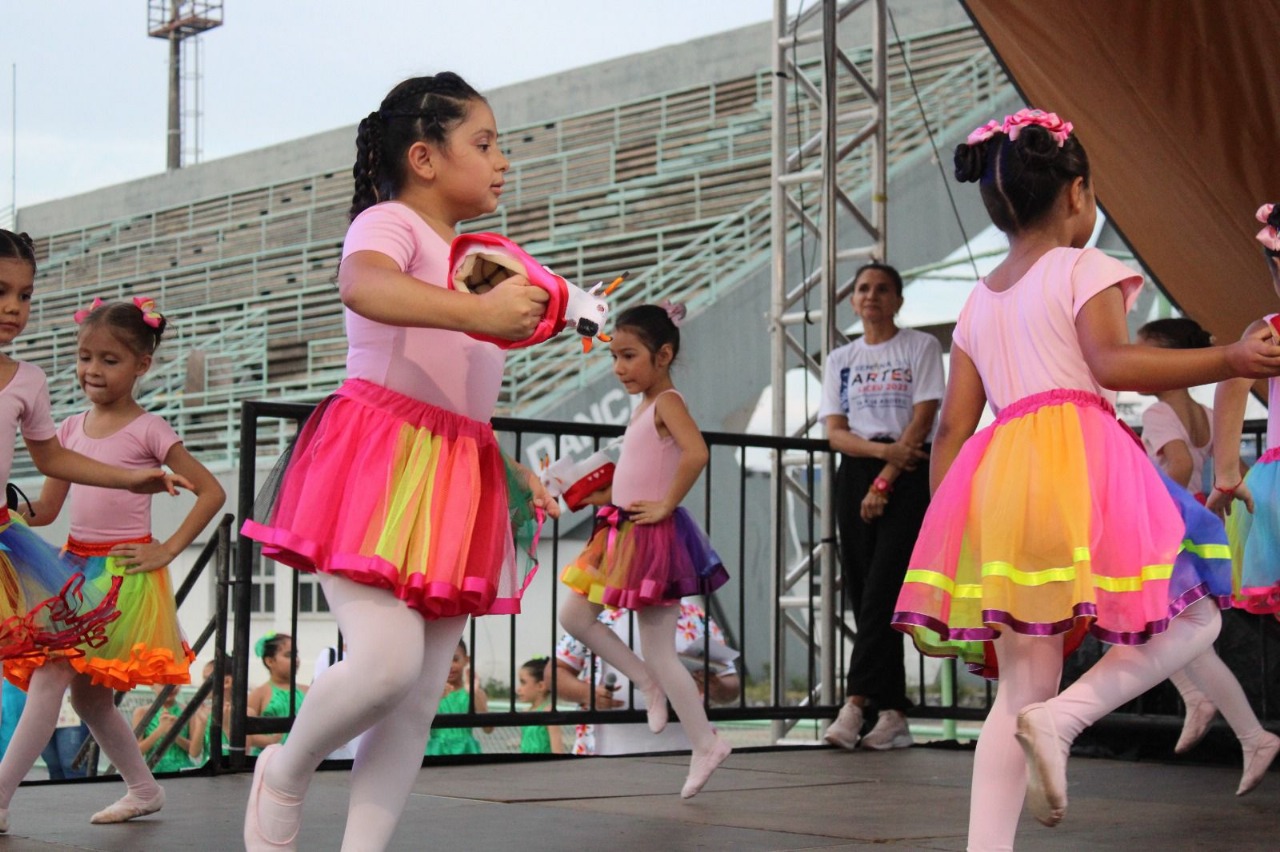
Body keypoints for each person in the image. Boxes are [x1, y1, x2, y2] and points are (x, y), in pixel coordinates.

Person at [889, 109, 1280, 850]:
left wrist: (955, 521)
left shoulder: (976, 303)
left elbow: (952, 428)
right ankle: (1067, 718)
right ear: (1077, 194)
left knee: (1019, 685)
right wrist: (1228, 358)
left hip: (999, 483)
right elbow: (1111, 365)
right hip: (1080, 465)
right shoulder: (1086, 267)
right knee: (1198, 615)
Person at [238, 72, 558, 851]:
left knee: (416, 699)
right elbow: (362, 285)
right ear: (423, 156)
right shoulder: (391, 224)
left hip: (459, 472)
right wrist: (482, 311)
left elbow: (460, 382)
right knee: (385, 661)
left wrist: (506, 466)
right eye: (483, 144)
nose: (501, 161)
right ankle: (284, 768)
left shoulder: (475, 254)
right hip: (378, 460)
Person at [0, 244, 195, 835]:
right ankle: (143, 786)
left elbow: (57, 460)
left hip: (115, 575)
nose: (14, 307)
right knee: (87, 699)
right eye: (2, 292)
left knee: (53, 675)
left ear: (140, 365)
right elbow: (50, 500)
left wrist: (161, 535)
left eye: (25, 295)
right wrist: (21, 514)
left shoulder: (30, 383)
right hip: (66, 563)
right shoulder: (67, 419)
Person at [558, 302, 732, 799]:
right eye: (614, 357)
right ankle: (649, 684)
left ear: (663, 355)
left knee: (658, 649)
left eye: (629, 356)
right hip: (623, 530)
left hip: (651, 536)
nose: (618, 368)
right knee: (575, 617)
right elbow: (645, 465)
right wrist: (602, 495)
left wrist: (666, 505)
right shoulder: (644, 406)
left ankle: (705, 741)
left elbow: (696, 451)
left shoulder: (668, 401)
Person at [1137, 318, 1279, 795]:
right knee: (1174, 627)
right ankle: (1220, 713)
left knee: (1155, 622)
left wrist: (1154, 513)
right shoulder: (1199, 409)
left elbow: (1177, 464)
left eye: (1148, 355)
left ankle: (1229, 719)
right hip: (1201, 524)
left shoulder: (1159, 414)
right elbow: (1230, 464)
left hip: (1173, 527)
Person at [818, 262, 944, 752]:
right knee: (865, 586)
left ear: (898, 299)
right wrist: (880, 457)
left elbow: (924, 414)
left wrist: (888, 475)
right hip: (860, 469)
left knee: (885, 587)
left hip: (907, 473)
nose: (871, 296)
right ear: (853, 301)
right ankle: (893, 713)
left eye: (882, 288)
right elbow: (835, 432)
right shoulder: (841, 358)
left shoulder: (920, 347)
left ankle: (854, 704)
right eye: (863, 289)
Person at [1205, 201, 1280, 789]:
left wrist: (1230, 471)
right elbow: (1233, 380)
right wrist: (1227, 470)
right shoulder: (1273, 328)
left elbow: (1232, 381)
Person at [555, 597, 740, 756]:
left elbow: (731, 683)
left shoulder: (696, 617)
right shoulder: (598, 613)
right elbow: (555, 672)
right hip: (604, 748)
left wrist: (715, 686)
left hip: (683, 748)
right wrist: (587, 693)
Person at [425, 639, 490, 756]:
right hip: (436, 750)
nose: (450, 666)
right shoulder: (429, 693)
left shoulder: (475, 693)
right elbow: (417, 726)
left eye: (455, 660)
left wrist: (473, 692)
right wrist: (435, 699)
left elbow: (488, 729)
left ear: (466, 660)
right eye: (443, 660)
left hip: (467, 749)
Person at [247, 633, 308, 752]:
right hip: (269, 760)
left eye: (296, 654)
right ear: (269, 661)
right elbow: (245, 733)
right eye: (288, 655)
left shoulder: (307, 691)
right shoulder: (259, 694)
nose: (295, 660)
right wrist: (270, 741)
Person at [133, 683, 192, 774]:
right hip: (153, 771)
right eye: (162, 684)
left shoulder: (187, 711)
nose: (170, 688)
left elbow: (194, 750)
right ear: (152, 685)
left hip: (182, 771)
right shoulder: (142, 712)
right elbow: (137, 752)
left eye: (174, 683)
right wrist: (160, 730)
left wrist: (173, 734)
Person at [515, 657, 564, 755]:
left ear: (541, 686)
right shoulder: (525, 712)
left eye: (523, 683)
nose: (518, 689)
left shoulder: (549, 712)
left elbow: (558, 751)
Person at [189, 658, 233, 764]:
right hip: (207, 774)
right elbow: (194, 753)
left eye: (208, 680)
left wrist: (226, 727)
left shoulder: (246, 713)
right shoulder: (202, 713)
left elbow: (245, 752)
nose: (203, 685)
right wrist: (201, 725)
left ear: (227, 682)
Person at [40, 689, 89, 779]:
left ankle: (79, 792)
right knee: (53, 765)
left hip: (70, 706)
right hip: (41, 706)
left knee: (72, 765)